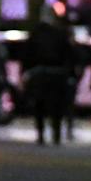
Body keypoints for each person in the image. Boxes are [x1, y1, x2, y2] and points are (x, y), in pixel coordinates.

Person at [23, 11, 78, 146]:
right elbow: (69, 54)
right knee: (56, 105)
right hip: (57, 73)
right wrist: (70, 73)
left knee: (39, 104)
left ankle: (41, 134)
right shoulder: (60, 34)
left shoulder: (35, 34)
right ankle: (56, 133)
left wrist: (25, 71)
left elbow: (26, 55)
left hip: (38, 72)